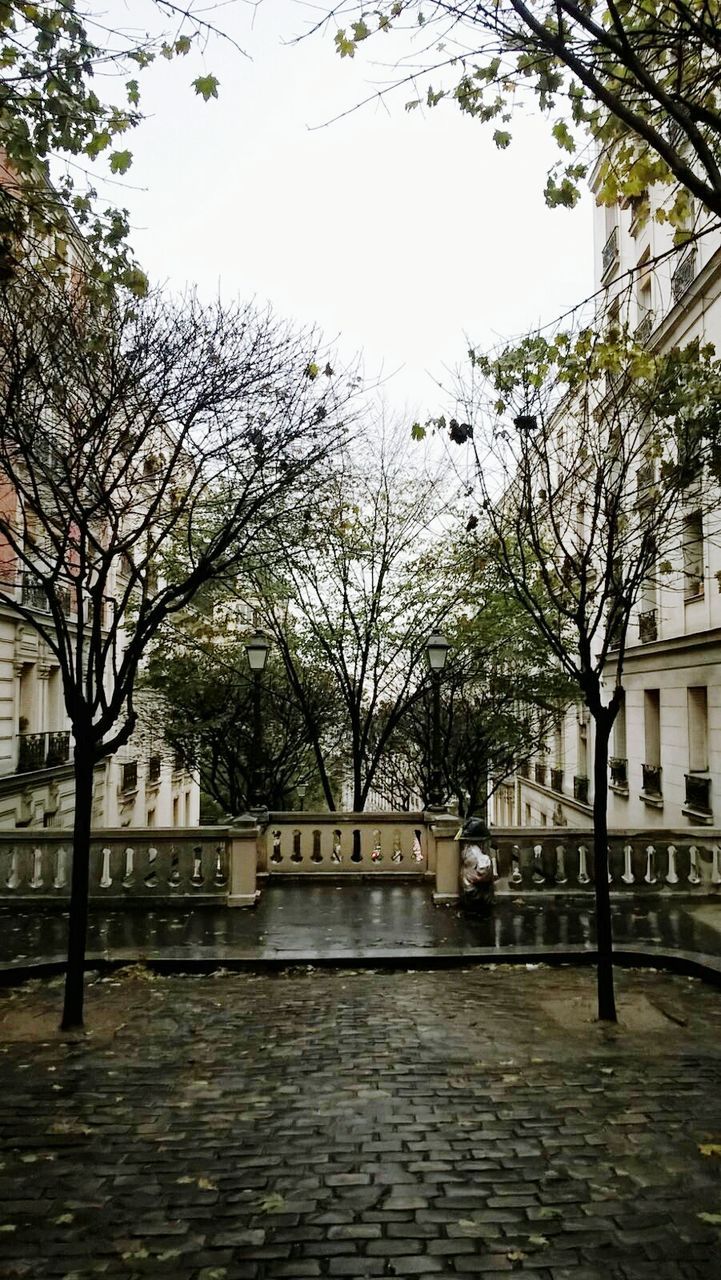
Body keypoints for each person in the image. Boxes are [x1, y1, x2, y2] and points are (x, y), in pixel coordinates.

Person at [457, 815, 495, 912]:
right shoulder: (476, 854)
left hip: (468, 891)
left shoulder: (467, 850)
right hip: (476, 896)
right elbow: (483, 874)